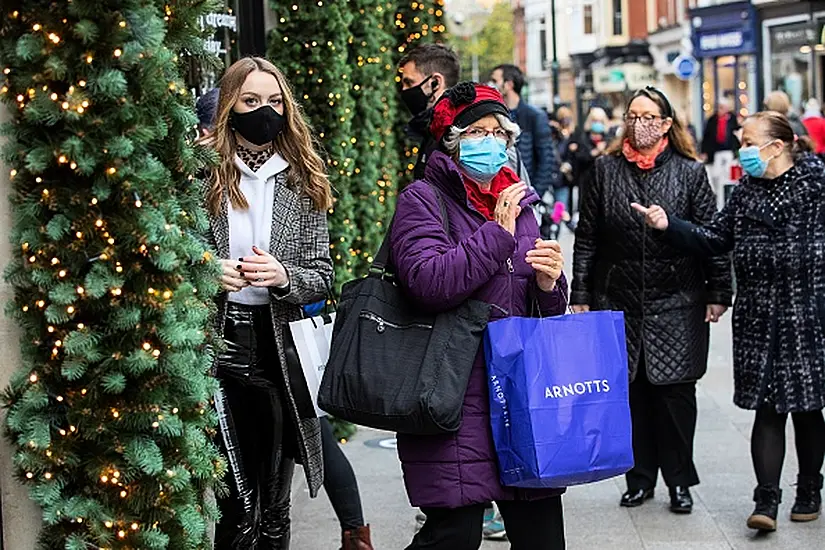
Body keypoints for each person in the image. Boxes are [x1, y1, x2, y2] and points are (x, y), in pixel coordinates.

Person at [197, 73, 373, 550]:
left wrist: (283, 277)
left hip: (279, 350)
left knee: (275, 503)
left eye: (274, 100)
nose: (264, 111)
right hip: (219, 347)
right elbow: (172, 256)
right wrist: (208, 272)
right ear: (230, 105)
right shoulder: (200, 172)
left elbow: (322, 272)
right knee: (235, 501)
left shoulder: (301, 176)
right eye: (251, 99)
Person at [389, 82, 568, 550]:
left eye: (499, 133)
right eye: (477, 132)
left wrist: (550, 286)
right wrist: (495, 235)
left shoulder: (521, 203)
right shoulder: (421, 200)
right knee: (454, 536)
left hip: (518, 392)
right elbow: (427, 282)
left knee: (543, 537)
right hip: (454, 392)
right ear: (452, 139)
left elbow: (538, 301)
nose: (491, 142)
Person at [632, 111, 825, 533]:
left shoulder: (817, 186)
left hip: (807, 311)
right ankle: (766, 500)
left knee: (808, 408)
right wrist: (669, 226)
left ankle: (810, 487)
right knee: (768, 408)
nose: (743, 150)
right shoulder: (746, 193)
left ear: (777, 146)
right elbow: (715, 239)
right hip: (758, 315)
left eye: (750, 142)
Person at [571, 87, 733, 515]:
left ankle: (680, 481)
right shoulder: (604, 171)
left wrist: (718, 292)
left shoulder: (690, 173)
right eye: (632, 116)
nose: (638, 124)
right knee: (632, 396)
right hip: (618, 297)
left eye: (648, 117)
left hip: (677, 300)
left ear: (665, 124)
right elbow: (586, 238)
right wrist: (581, 294)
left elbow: (712, 239)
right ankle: (639, 478)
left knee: (675, 397)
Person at [490, 64, 561, 202]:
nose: (491, 85)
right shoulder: (494, 116)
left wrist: (532, 196)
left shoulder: (535, 116)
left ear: (508, 84)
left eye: (495, 81)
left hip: (525, 195)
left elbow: (546, 160)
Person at [398, 44, 462, 180]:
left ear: (435, 83)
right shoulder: (432, 128)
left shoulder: (455, 135)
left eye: (409, 83)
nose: (404, 90)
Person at [564, 107, 610, 229]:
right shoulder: (583, 137)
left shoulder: (608, 137)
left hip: (605, 179)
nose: (597, 124)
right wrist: (594, 152)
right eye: (595, 120)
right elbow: (580, 156)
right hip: (586, 178)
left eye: (600, 121)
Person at [701, 97, 740, 209]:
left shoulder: (732, 119)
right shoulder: (712, 120)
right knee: (716, 177)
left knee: (729, 178)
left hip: (729, 153)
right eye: (719, 107)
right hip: (716, 153)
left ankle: (728, 202)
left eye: (723, 107)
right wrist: (704, 152)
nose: (720, 109)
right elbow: (707, 137)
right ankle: (717, 203)